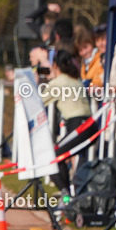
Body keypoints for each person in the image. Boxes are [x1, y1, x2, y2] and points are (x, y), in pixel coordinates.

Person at [42, 50, 93, 193]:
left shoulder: (58, 83)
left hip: (79, 127)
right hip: (89, 125)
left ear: (55, 65)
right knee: (58, 156)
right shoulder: (75, 80)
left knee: (52, 159)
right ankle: (69, 196)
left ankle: (67, 198)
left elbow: (38, 102)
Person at [75, 25, 103, 89]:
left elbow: (100, 79)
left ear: (92, 43)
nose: (84, 52)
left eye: (85, 47)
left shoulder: (100, 58)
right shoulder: (84, 64)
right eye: (80, 50)